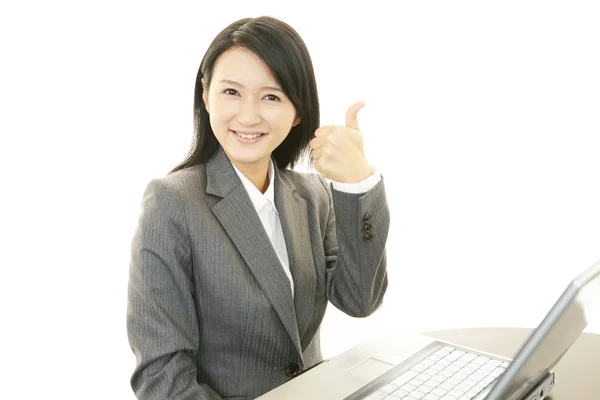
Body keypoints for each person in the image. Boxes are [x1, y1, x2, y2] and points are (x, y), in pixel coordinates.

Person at [127, 15, 390, 400]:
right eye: (231, 92)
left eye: (271, 96)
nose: (248, 116)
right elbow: (162, 377)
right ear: (206, 95)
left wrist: (357, 183)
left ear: (297, 110)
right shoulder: (172, 203)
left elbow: (360, 300)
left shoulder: (312, 196)